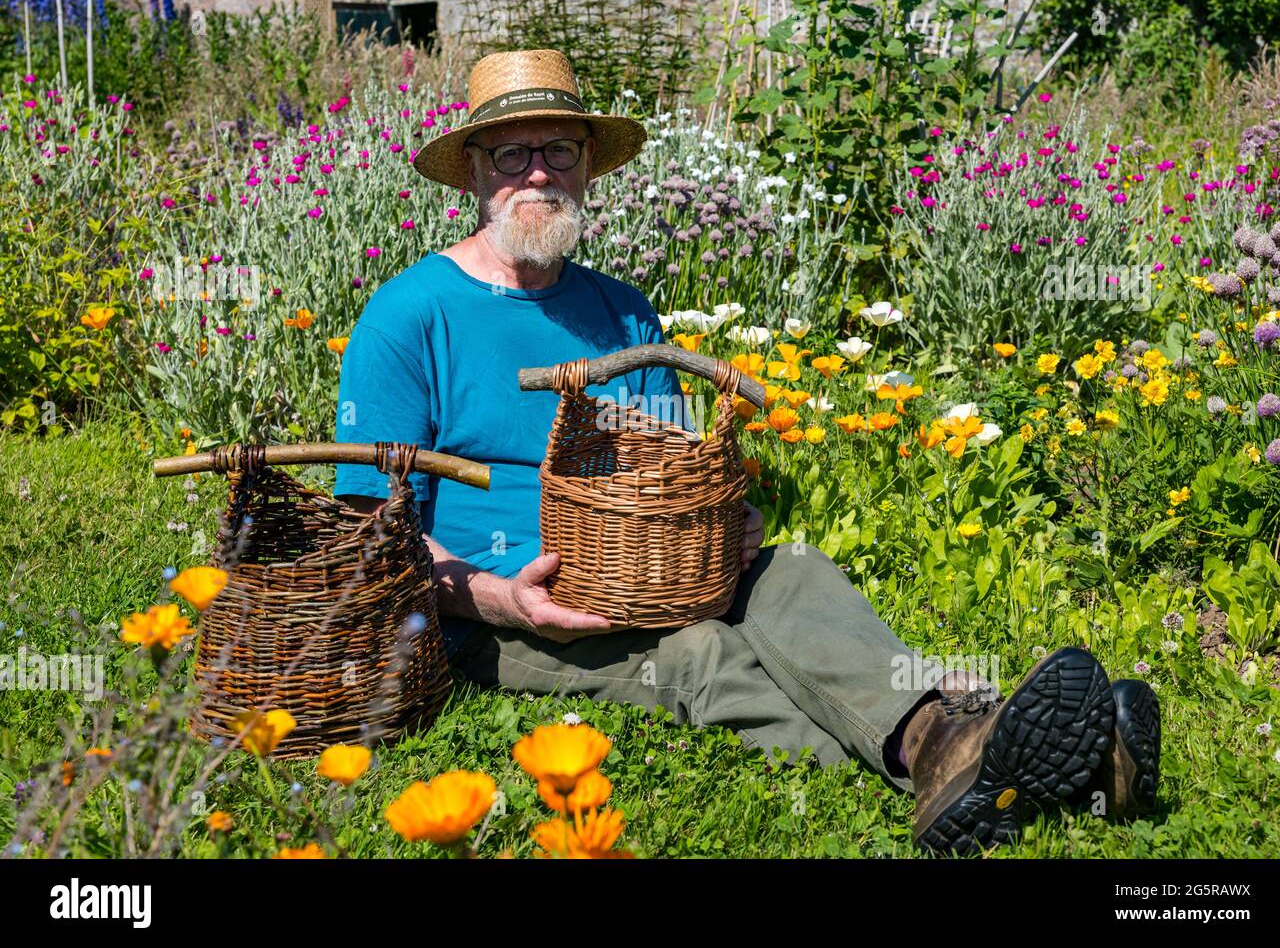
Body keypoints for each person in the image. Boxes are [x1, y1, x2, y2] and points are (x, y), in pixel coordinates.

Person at [333, 48, 1160, 854]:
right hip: (514, 609)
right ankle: (1002, 763)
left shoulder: (624, 314)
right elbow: (371, 524)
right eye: (513, 153)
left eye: (559, 149)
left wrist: (723, 519)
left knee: (793, 570)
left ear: (589, 167)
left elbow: (673, 464)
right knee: (699, 655)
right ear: (474, 173)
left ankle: (953, 736)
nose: (538, 172)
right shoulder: (410, 315)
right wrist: (497, 598)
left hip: (659, 567)